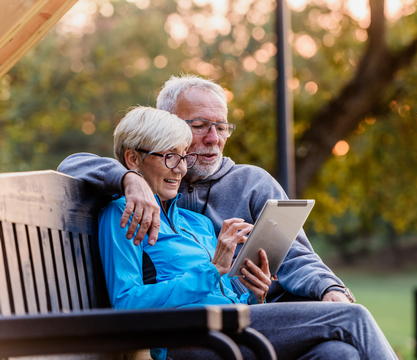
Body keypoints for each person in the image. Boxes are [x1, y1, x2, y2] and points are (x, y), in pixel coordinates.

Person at [100, 106, 398, 360]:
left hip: (227, 327)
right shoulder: (122, 215)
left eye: (182, 157)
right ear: (133, 159)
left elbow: (219, 290)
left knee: (336, 353)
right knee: (351, 316)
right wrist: (213, 269)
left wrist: (249, 290)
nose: (179, 169)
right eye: (168, 157)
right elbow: (127, 303)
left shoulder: (196, 223)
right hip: (189, 339)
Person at [58, 75, 354, 303]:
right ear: (169, 128)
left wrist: (329, 289)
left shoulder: (250, 183)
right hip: (205, 333)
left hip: (263, 312)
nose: (214, 138)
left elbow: (295, 255)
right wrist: (129, 179)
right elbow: (74, 164)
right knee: (346, 327)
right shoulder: (145, 183)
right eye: (199, 125)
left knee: (341, 336)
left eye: (221, 126)